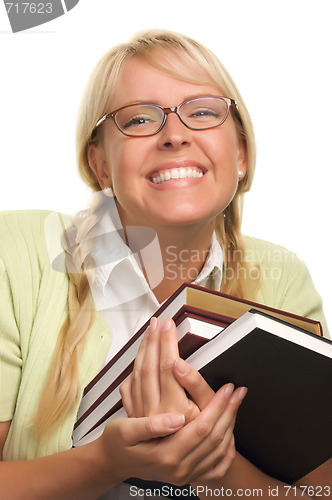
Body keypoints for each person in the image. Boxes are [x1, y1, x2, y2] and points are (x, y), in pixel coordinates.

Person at [0, 29, 330, 499]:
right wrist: (106, 462)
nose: (175, 135)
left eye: (201, 112)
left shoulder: (283, 278)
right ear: (101, 166)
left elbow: (315, 492)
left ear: (240, 153)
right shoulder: (16, 254)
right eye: (138, 120)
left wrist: (214, 468)